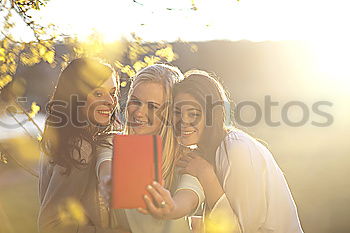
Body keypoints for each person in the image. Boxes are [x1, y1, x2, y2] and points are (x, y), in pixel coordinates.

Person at [174, 70, 304, 233]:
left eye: (193, 114)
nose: (183, 121)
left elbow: (240, 230)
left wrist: (205, 174)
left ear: (212, 115)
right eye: (177, 112)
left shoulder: (237, 148)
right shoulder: (211, 151)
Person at [96, 64, 205, 233]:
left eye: (153, 106)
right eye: (135, 102)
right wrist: (110, 181)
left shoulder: (189, 158)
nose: (139, 113)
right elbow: (106, 168)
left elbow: (189, 197)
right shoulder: (112, 142)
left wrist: (171, 208)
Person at [38, 57, 128, 233]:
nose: (110, 101)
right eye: (98, 93)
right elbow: (50, 226)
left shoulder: (65, 138)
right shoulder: (79, 148)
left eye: (112, 92)